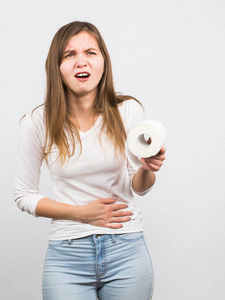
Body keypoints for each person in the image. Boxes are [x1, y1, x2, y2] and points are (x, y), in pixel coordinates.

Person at [14, 21, 166, 300]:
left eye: (90, 53)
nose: (80, 61)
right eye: (69, 55)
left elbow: (140, 187)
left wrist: (147, 168)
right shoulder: (37, 122)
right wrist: (82, 213)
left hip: (127, 250)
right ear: (56, 68)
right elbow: (24, 196)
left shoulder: (127, 111)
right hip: (67, 255)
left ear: (104, 62)